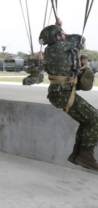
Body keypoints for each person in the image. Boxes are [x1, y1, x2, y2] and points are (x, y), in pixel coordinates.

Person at [40, 24, 98, 171]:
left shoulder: (52, 49)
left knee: (87, 120)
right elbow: (80, 39)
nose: (64, 35)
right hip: (63, 93)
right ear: (57, 37)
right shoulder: (59, 47)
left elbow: (73, 50)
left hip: (61, 92)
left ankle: (79, 154)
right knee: (94, 119)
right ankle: (84, 155)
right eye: (61, 34)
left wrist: (59, 29)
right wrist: (64, 33)